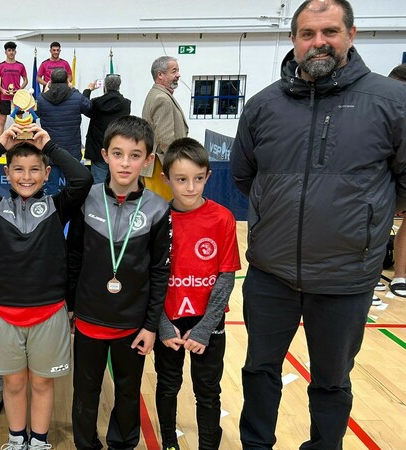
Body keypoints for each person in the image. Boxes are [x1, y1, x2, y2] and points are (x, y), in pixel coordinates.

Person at [229, 1, 406, 448]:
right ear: (294, 40)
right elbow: (245, 177)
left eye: (330, 31)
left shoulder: (392, 101)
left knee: (332, 381)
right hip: (271, 274)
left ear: (351, 34)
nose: (318, 42)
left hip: (346, 276)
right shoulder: (263, 105)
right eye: (307, 33)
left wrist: (363, 217)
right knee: (259, 371)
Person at [0, 122, 93, 450]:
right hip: (5, 313)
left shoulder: (58, 206)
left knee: (42, 384)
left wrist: (49, 145)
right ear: (7, 173)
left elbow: (83, 179)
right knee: (14, 384)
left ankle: (39, 442)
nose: (27, 176)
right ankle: (17, 439)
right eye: (18, 169)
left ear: (47, 174)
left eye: (35, 170)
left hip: (49, 312)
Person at [67, 115, 170, 450]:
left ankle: (123, 444)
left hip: (132, 323)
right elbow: (73, 257)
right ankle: (86, 444)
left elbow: (159, 271)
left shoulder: (158, 209)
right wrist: (71, 306)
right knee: (85, 391)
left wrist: (151, 325)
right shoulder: (87, 199)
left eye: (135, 155)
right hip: (89, 317)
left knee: (128, 391)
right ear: (104, 155)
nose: (125, 163)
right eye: (118, 154)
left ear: (148, 160)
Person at [155, 137, 241, 450]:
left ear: (208, 176)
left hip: (208, 322)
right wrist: (162, 324)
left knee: (207, 391)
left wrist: (205, 328)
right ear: (166, 179)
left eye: (198, 178)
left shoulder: (222, 217)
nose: (190, 187)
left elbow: (226, 277)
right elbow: (150, 278)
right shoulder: (157, 219)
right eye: (181, 179)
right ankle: (169, 443)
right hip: (169, 321)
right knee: (168, 385)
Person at [142, 56, 188, 202]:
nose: (178, 75)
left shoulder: (157, 94)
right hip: (161, 166)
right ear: (160, 75)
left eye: (178, 71)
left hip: (158, 165)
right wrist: (177, 165)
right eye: (174, 71)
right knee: (163, 209)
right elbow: (165, 139)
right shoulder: (162, 99)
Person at [82, 74, 131, 184]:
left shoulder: (95, 103)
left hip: (97, 149)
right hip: (117, 148)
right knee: (117, 182)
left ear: (105, 87)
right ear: (119, 86)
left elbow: (83, 107)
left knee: (98, 184)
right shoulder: (125, 104)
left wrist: (88, 90)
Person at [384, 63, 406, 298]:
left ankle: (400, 274)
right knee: (372, 223)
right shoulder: (379, 107)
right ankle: (369, 280)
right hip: (381, 176)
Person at [36, 68, 91, 161]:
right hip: (72, 154)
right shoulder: (77, 97)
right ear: (67, 81)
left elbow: (37, 114)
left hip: (50, 153)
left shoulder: (41, 99)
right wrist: (73, 89)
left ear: (50, 82)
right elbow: (88, 107)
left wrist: (44, 93)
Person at [0, 41, 28, 133]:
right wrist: (2, 90)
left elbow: (26, 80)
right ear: (6, 52)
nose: (11, 52)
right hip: (4, 97)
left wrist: (19, 90)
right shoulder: (1, 66)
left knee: (19, 122)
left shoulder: (20, 66)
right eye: (9, 50)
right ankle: (0, 141)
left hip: (17, 98)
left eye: (13, 50)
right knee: (2, 122)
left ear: (15, 52)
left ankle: (19, 140)